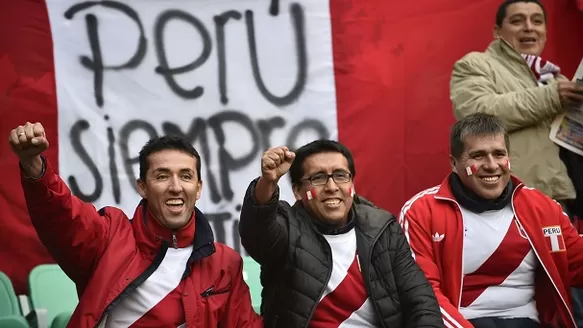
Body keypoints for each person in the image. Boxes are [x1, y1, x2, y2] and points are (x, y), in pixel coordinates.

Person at [9, 122, 261, 327]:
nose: (175, 187)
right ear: (143, 187)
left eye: (185, 176)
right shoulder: (110, 236)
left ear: (198, 188)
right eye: (162, 176)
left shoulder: (224, 264)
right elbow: (63, 218)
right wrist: (35, 167)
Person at [399, 113, 583, 328]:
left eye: (499, 154)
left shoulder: (541, 207)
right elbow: (422, 294)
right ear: (454, 163)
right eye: (478, 156)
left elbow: (575, 263)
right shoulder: (421, 211)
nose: (492, 165)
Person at [238, 139, 443, 328]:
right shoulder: (287, 227)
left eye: (340, 175)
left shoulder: (383, 229)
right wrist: (268, 182)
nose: (332, 187)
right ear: (298, 191)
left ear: (351, 184)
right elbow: (256, 234)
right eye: (318, 178)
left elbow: (420, 300)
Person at [449, 0, 583, 214]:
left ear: (545, 32)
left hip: (558, 200)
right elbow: (475, 114)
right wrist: (552, 97)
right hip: (506, 200)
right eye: (517, 21)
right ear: (497, 31)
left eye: (537, 21)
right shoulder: (475, 64)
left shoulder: (554, 80)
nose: (529, 27)